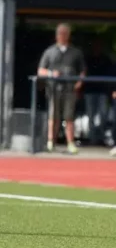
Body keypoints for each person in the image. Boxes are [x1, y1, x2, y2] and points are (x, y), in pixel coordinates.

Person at [36, 23, 85, 154]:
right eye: (60, 33)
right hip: (53, 88)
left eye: (65, 33)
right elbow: (40, 70)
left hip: (70, 89)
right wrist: (52, 74)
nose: (62, 36)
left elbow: (82, 71)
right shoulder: (49, 51)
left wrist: (79, 83)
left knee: (69, 117)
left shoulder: (76, 52)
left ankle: (70, 143)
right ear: (57, 35)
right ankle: (51, 142)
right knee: (53, 116)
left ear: (68, 35)